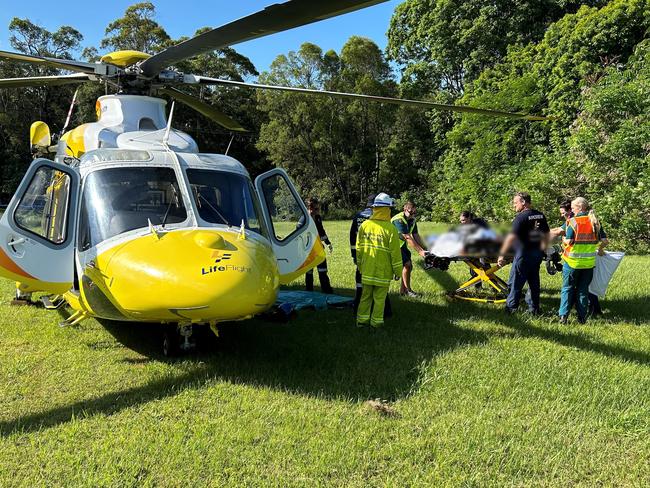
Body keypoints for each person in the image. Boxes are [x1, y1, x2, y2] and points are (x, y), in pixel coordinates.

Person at [356, 193, 403, 328]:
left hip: (367, 270)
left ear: (375, 208)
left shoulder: (365, 225)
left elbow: (359, 249)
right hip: (383, 272)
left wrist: (360, 266)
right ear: (387, 209)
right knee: (379, 299)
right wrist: (398, 271)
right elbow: (395, 253)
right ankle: (376, 324)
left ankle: (361, 322)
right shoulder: (391, 229)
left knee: (365, 297)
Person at [498, 192, 550, 314]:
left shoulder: (521, 217)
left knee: (516, 282)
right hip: (537, 254)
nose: (514, 206)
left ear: (523, 202)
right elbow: (546, 234)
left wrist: (501, 254)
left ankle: (510, 309)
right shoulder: (540, 215)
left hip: (523, 254)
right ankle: (534, 309)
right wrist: (544, 249)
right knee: (534, 282)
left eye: (515, 203)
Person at [558, 197, 608, 324]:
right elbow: (605, 241)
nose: (572, 210)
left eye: (573, 207)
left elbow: (568, 241)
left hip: (572, 263)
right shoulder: (595, 221)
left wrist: (563, 239)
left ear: (580, 208)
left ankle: (563, 316)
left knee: (567, 289)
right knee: (583, 290)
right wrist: (600, 249)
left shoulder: (573, 221)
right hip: (589, 263)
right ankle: (582, 318)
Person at [350, 194, 392, 317]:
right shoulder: (379, 217)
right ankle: (385, 312)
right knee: (380, 285)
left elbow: (353, 238)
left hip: (362, 255)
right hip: (378, 255)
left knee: (360, 284)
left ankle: (357, 309)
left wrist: (355, 256)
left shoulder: (358, 217)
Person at [391, 201, 427, 297]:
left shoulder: (412, 220)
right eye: (411, 213)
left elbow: (416, 235)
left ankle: (403, 291)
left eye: (414, 213)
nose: (412, 215)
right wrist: (420, 251)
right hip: (392, 246)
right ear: (405, 209)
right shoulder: (399, 220)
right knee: (407, 264)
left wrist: (425, 249)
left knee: (408, 266)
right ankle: (408, 290)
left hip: (401, 246)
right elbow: (407, 237)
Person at [305, 197, 333, 294]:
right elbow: (302, 237)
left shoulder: (317, 218)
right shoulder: (304, 220)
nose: (319, 211)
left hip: (319, 249)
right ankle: (309, 292)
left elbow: (321, 231)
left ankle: (327, 291)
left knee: (323, 270)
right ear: (310, 209)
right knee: (309, 272)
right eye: (316, 209)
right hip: (308, 250)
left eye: (319, 209)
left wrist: (328, 242)